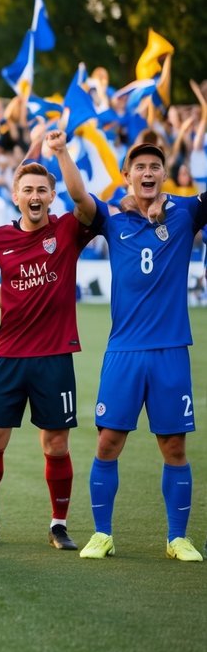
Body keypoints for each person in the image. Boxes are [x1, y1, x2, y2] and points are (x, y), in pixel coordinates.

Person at [0, 131, 98, 550]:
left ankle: (58, 524)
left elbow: (84, 198)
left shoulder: (70, 229)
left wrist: (59, 152)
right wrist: (14, 302)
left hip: (54, 355)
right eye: (28, 190)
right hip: (9, 355)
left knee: (55, 443)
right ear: (16, 196)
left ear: (52, 196)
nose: (35, 195)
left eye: (42, 189)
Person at [80, 143, 206, 561]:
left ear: (164, 175)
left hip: (170, 350)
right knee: (108, 442)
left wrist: (167, 204)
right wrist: (61, 151)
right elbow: (81, 197)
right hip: (124, 352)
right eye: (140, 167)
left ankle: (177, 538)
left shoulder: (186, 212)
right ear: (126, 174)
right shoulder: (112, 222)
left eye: (155, 166)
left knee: (173, 447)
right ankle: (102, 535)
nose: (148, 172)